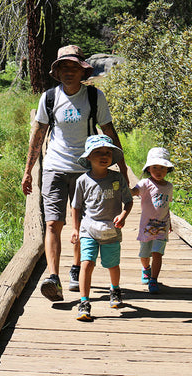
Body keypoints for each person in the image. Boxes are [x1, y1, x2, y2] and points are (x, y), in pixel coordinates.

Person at [21, 45, 128, 302]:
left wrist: (122, 167)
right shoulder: (49, 98)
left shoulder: (94, 97)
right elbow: (38, 135)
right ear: (57, 72)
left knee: (84, 224)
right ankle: (53, 278)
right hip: (55, 167)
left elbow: (109, 131)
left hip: (88, 171)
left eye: (73, 67)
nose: (69, 72)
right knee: (52, 223)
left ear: (82, 71)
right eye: (63, 67)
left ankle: (76, 268)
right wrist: (27, 171)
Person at [70, 135, 133, 321]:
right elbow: (76, 206)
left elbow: (128, 201)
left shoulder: (117, 178)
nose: (103, 156)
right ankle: (84, 302)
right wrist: (75, 228)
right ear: (88, 156)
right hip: (89, 229)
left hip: (111, 229)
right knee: (87, 264)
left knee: (112, 265)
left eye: (107, 152)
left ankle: (115, 290)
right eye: (98, 152)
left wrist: (123, 215)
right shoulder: (83, 180)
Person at [131, 147, 174, 294]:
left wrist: (170, 222)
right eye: (155, 167)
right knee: (144, 254)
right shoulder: (145, 184)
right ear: (148, 168)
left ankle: (154, 280)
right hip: (146, 226)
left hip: (162, 226)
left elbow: (166, 206)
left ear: (167, 169)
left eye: (162, 167)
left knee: (157, 253)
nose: (158, 170)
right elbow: (134, 191)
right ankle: (146, 268)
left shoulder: (169, 187)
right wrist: (125, 191)